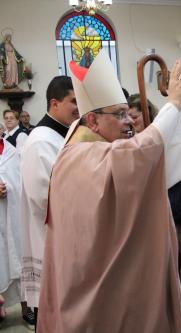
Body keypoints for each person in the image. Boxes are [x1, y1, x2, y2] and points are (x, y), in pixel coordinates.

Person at [37, 51, 181, 332]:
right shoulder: (85, 156)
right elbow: (139, 154)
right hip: (96, 285)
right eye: (120, 114)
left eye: (128, 113)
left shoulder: (79, 149)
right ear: (93, 122)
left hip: (88, 272)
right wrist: (173, 103)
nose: (129, 121)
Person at [20, 76, 79, 329]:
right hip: (51, 236)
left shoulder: (61, 134)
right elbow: (43, 197)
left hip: (67, 235)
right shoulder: (41, 140)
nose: (79, 107)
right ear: (55, 103)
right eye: (73, 101)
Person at [0, 134, 24, 327]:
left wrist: (9, 187)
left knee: (19, 260)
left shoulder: (13, 152)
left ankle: (26, 308)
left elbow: (21, 181)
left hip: (12, 215)